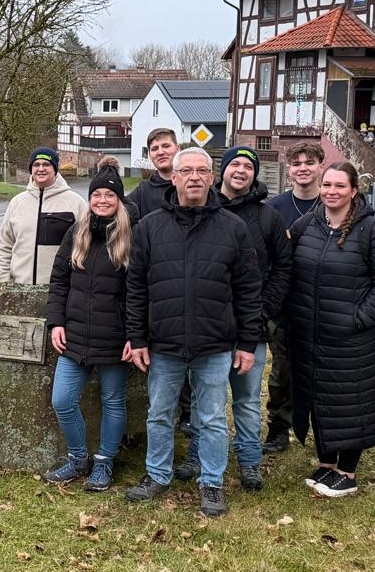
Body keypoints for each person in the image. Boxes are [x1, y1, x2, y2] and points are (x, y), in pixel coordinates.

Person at [124, 147, 263, 516]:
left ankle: (212, 483)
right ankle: (157, 475)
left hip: (215, 342)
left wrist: (247, 341)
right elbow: (136, 287)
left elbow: (249, 290)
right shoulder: (150, 227)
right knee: (160, 413)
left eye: (202, 171)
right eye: (187, 171)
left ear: (212, 177)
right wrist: (137, 337)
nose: (195, 177)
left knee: (213, 417)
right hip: (164, 343)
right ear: (175, 177)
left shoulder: (233, 228)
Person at [284, 161, 375, 498]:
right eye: (327, 186)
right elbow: (286, 252)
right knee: (317, 396)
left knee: (351, 401)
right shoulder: (312, 224)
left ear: (353, 190)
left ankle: (346, 470)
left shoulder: (371, 231)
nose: (331, 192)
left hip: (353, 338)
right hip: (310, 333)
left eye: (339, 186)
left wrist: (358, 319)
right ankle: (326, 463)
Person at [178, 144, 292, 490]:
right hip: (208, 327)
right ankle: (197, 455)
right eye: (235, 164)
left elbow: (282, 267)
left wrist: (264, 310)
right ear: (221, 171)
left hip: (250, 326)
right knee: (202, 398)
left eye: (248, 166)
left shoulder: (267, 216)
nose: (241, 171)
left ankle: (249, 461)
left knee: (245, 399)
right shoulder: (201, 209)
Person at [42, 162, 133, 492]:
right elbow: (59, 281)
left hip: (115, 338)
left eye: (110, 194)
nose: (103, 200)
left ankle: (104, 463)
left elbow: (139, 291)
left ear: (119, 200)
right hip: (76, 335)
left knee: (113, 402)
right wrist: (56, 322)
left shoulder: (130, 235)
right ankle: (79, 458)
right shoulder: (77, 232)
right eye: (97, 194)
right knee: (62, 400)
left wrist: (135, 336)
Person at [263, 140, 325, 455]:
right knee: (283, 371)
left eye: (309, 163)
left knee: (324, 371)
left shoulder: (334, 202)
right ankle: (278, 428)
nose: (303, 168)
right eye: (297, 163)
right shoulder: (275, 208)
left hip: (324, 304)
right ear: (289, 170)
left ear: (320, 167)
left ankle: (326, 430)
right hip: (285, 305)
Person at [0, 146, 85, 285]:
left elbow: (85, 247)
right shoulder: (17, 202)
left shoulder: (75, 203)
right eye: (36, 164)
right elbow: (5, 245)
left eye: (46, 164)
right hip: (20, 288)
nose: (41, 169)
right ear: (31, 169)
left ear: (55, 169)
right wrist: (4, 281)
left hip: (58, 290)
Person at [125, 127, 179, 221]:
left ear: (178, 149)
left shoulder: (193, 184)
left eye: (166, 146)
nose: (161, 152)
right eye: (154, 149)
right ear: (149, 155)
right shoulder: (142, 192)